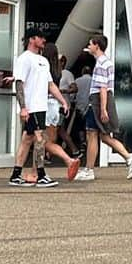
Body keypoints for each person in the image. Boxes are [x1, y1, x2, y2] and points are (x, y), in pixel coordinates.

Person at [8, 29, 70, 189]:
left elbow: (50, 84)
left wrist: (63, 101)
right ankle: (41, 175)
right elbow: (19, 83)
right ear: (31, 39)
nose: (44, 40)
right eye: (40, 37)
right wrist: (23, 108)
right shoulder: (24, 59)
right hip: (32, 107)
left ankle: (15, 175)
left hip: (41, 106)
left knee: (27, 139)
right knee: (40, 139)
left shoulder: (44, 60)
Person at [77, 33, 132, 181]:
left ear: (97, 46)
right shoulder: (107, 62)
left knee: (91, 134)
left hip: (98, 101)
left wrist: (103, 109)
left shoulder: (100, 64)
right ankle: (130, 159)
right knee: (104, 136)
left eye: (90, 44)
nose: (89, 47)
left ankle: (89, 170)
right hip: (104, 100)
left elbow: (102, 88)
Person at [42, 42, 81, 181]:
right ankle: (42, 165)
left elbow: (48, 86)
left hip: (45, 104)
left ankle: (67, 158)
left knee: (40, 139)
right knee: (51, 137)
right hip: (55, 105)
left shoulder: (44, 67)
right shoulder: (58, 71)